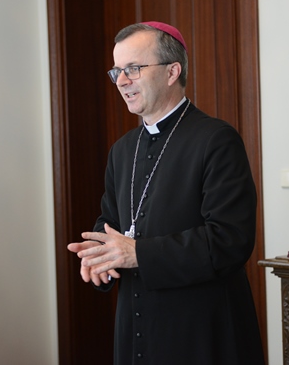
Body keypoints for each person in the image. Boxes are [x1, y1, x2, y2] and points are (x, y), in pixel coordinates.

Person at [67, 22, 265, 364]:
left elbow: (230, 240)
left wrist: (138, 254)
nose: (122, 81)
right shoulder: (122, 150)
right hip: (136, 325)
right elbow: (110, 223)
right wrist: (100, 257)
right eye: (117, 71)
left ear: (172, 71)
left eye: (133, 68)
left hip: (200, 329)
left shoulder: (216, 140)